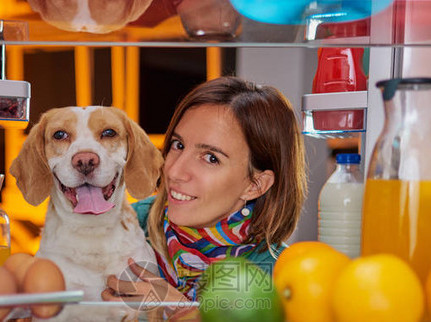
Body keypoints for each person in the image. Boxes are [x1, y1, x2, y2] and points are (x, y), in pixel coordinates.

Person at [101, 76, 307, 306]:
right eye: (178, 145)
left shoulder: (281, 277)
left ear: (255, 185)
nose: (175, 171)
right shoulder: (120, 226)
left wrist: (179, 311)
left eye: (210, 158)